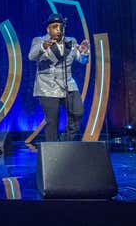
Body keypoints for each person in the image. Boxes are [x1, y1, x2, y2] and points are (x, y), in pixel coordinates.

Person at [28, 13, 90, 142]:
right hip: (47, 86)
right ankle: (52, 151)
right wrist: (43, 47)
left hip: (68, 85)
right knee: (52, 121)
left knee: (78, 112)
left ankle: (65, 142)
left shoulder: (71, 41)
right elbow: (31, 56)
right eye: (54, 26)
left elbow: (82, 60)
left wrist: (84, 52)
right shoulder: (39, 40)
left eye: (60, 26)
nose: (58, 29)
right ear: (48, 29)